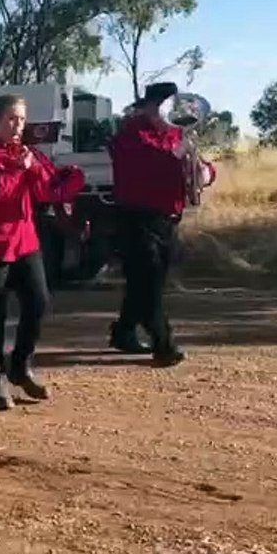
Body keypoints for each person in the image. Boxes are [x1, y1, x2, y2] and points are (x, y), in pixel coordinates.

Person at [0, 95, 85, 410]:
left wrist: (37, 170)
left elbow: (46, 191)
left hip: (24, 242)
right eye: (11, 119)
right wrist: (14, 171)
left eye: (21, 120)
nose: (17, 127)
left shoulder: (28, 152)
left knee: (39, 302)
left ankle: (20, 365)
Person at [108, 81, 214, 367]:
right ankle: (163, 344)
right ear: (149, 106)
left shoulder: (176, 132)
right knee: (150, 282)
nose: (168, 112)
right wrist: (179, 152)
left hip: (167, 218)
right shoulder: (131, 133)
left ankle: (124, 331)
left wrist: (205, 172)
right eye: (162, 106)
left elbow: (197, 166)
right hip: (137, 217)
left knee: (145, 281)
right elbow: (149, 164)